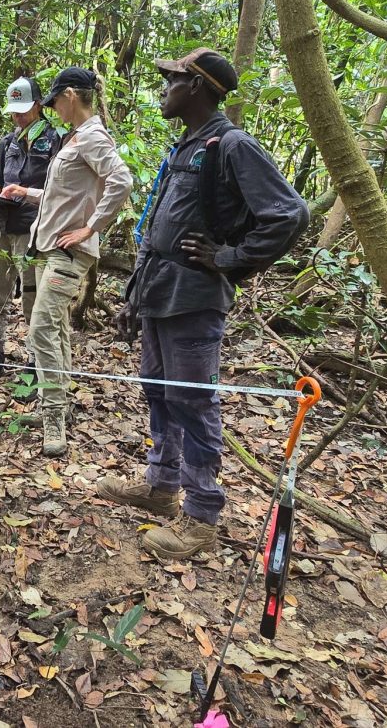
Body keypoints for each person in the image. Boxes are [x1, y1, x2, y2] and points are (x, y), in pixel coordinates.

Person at [100, 48, 309, 562]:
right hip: (159, 292)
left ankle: (201, 517)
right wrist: (133, 296)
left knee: (192, 400)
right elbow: (156, 230)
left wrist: (230, 258)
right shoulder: (184, 148)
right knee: (157, 391)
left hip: (195, 298)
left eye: (172, 80)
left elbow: (289, 215)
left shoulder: (232, 145)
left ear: (195, 87)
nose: (164, 88)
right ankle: (161, 487)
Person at [1, 67, 133, 456]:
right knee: (56, 330)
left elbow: (121, 181)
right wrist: (26, 191)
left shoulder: (93, 136)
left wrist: (91, 228)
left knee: (39, 329)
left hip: (68, 253)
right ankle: (50, 406)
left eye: (56, 100)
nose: (54, 107)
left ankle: (55, 419)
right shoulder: (75, 138)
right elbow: (65, 194)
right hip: (48, 248)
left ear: (71, 96)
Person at [0, 76, 63, 384]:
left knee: (31, 295)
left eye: (22, 110)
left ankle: (34, 357)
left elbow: (55, 188)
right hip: (2, 223)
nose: (17, 117)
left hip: (33, 227)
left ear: (38, 106)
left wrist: (23, 192)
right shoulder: (6, 142)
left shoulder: (55, 140)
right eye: (13, 111)